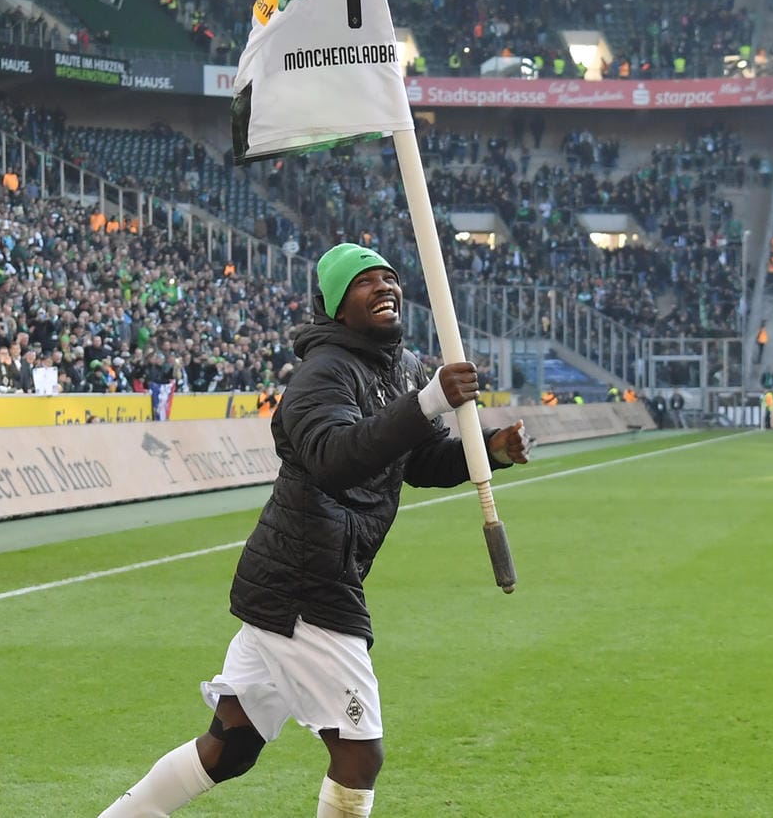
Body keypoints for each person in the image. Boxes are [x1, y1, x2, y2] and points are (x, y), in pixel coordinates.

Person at [97, 244, 530, 818]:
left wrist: (489, 452)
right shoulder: (318, 375)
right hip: (309, 580)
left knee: (230, 748)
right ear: (336, 308)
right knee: (359, 754)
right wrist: (428, 401)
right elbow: (336, 460)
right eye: (364, 283)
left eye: (389, 279)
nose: (383, 288)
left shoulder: (403, 368)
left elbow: (416, 460)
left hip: (290, 579)